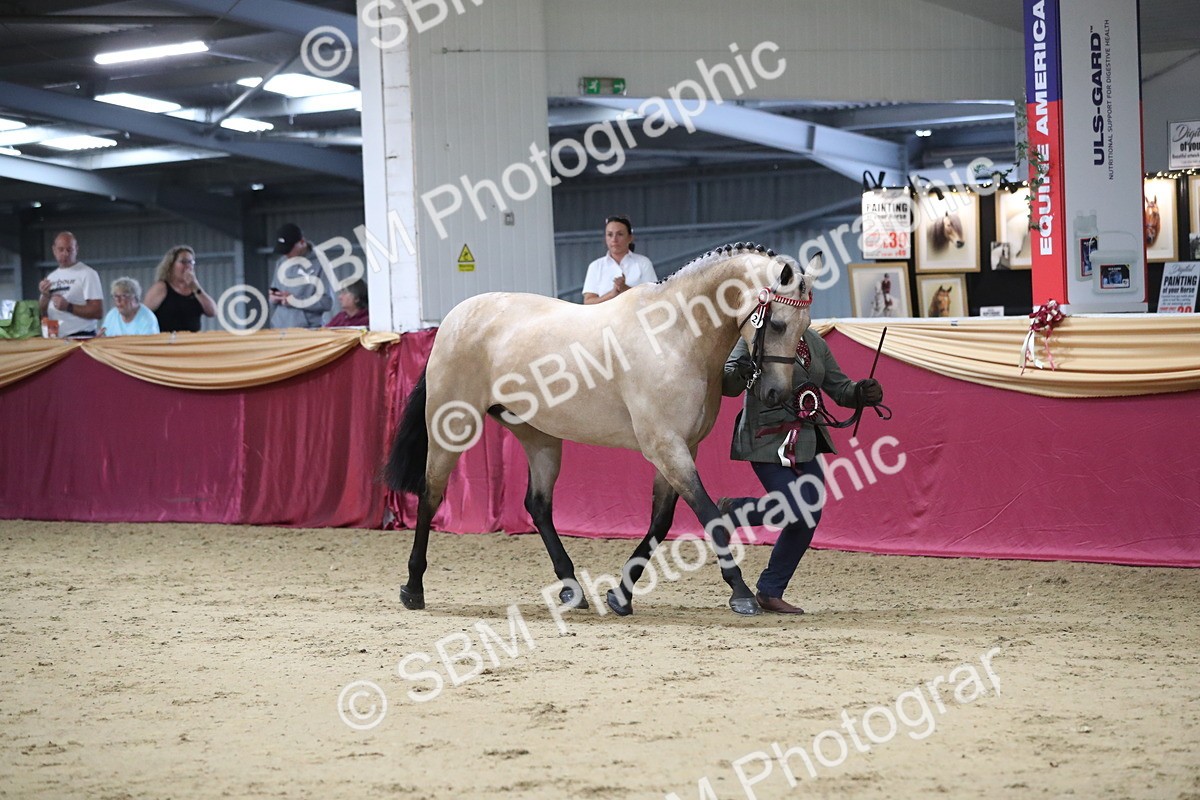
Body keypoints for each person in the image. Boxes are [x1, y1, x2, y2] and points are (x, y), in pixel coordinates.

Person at [720, 326, 885, 614]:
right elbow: (728, 383)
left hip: (807, 439)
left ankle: (771, 590)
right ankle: (733, 512)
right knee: (795, 507)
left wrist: (861, 392)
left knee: (809, 514)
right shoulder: (754, 338)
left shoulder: (815, 343)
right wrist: (742, 371)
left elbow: (840, 388)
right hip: (765, 439)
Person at [38, 231, 103, 337]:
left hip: (80, 338)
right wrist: (45, 296)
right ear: (54, 250)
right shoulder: (51, 278)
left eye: (69, 249)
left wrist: (68, 307)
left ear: (76, 249)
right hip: (55, 339)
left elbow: (97, 311)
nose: (65, 253)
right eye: (61, 249)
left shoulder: (88, 273)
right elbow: (42, 312)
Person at [581, 215, 657, 304]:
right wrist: (611, 295)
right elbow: (588, 302)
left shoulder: (643, 262)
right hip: (605, 317)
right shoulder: (595, 266)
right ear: (605, 238)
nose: (614, 239)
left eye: (620, 234)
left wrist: (626, 289)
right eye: (610, 235)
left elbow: (654, 297)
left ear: (630, 238)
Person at [270, 222, 332, 328]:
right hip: (279, 329)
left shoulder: (321, 264)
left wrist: (296, 301)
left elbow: (327, 302)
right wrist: (273, 298)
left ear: (302, 242)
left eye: (289, 250)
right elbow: (274, 291)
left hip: (307, 331)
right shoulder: (281, 262)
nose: (286, 254)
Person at [143, 245, 216, 332]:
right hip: (167, 341)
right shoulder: (161, 287)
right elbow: (143, 315)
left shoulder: (195, 290)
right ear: (171, 265)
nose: (188, 266)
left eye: (191, 262)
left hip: (191, 341)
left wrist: (196, 287)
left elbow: (212, 312)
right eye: (184, 262)